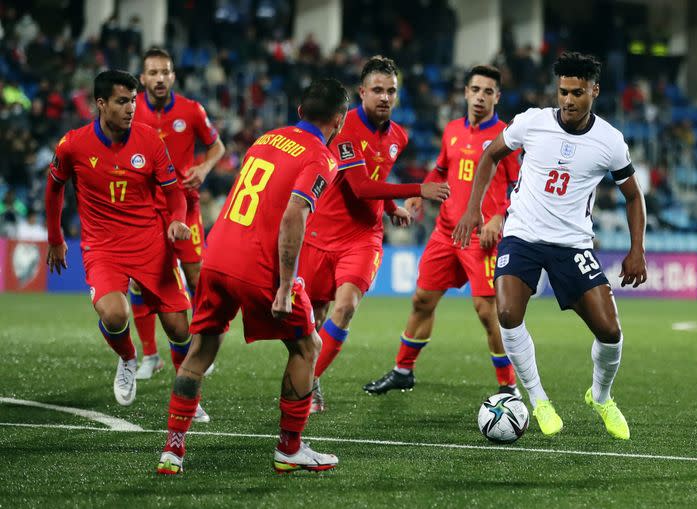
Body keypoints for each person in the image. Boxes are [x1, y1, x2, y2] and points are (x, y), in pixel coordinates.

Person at [156, 78, 349, 475]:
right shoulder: (322, 158)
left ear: (298, 111)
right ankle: (290, 448)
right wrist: (284, 284)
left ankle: (173, 450)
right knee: (307, 347)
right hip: (258, 264)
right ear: (340, 120)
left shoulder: (268, 138)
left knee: (201, 350)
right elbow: (295, 212)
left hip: (217, 254)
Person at [453, 52, 648, 440]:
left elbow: (633, 196)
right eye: (563, 92)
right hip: (522, 234)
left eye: (577, 93)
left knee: (610, 332)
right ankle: (539, 400)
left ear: (594, 90)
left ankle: (601, 396)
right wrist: (473, 208)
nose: (568, 101)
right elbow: (490, 155)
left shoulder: (609, 141)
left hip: (572, 244)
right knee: (507, 313)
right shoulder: (532, 122)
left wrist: (636, 249)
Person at [295, 56, 451, 413]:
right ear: (362, 92)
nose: (384, 97)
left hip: (362, 237)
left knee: (346, 305)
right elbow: (361, 187)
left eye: (391, 91)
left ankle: (302, 389)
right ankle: (312, 378)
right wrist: (417, 190)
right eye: (377, 90)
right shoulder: (345, 127)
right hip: (322, 231)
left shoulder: (399, 135)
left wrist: (388, 208)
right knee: (314, 317)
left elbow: (372, 186)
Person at [363, 65, 521, 396]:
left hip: (483, 236)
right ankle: (403, 370)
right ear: (465, 92)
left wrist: (499, 217)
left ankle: (508, 387)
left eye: (488, 92)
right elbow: (440, 169)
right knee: (422, 300)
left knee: (487, 311)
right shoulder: (451, 130)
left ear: (497, 97)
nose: (480, 97)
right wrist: (421, 193)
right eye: (475, 90)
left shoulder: (507, 137)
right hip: (445, 232)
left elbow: (521, 185)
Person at [45, 70, 193, 407]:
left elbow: (175, 194)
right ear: (101, 104)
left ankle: (187, 389)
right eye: (122, 101)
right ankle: (127, 358)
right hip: (102, 247)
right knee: (114, 314)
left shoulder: (151, 141)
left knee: (179, 330)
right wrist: (55, 238)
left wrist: (177, 221)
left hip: (150, 243)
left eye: (133, 101)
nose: (130, 108)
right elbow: (54, 189)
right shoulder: (72, 145)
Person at [132, 48, 226, 382]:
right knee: (139, 280)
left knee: (198, 275)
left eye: (165, 72)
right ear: (143, 78)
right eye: (153, 73)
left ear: (173, 76)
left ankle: (201, 349)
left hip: (185, 205)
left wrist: (204, 166)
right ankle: (150, 355)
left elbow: (218, 147)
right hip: (144, 207)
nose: (159, 78)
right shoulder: (132, 110)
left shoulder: (192, 111)